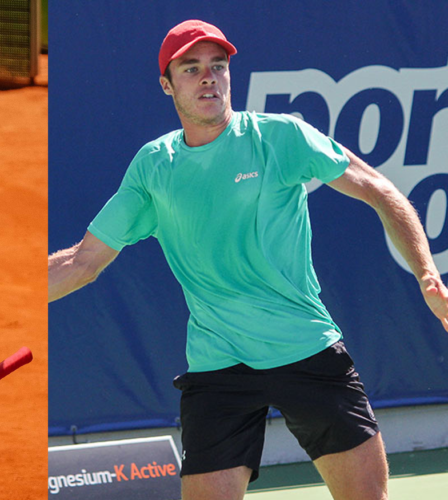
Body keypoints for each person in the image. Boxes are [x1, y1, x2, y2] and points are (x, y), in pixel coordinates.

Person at [48, 19, 448, 500]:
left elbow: (380, 190)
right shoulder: (154, 167)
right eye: (191, 69)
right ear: (167, 85)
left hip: (305, 348)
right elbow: (83, 261)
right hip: (219, 367)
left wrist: (427, 274)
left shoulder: (280, 138)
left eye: (217, 66)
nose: (208, 78)